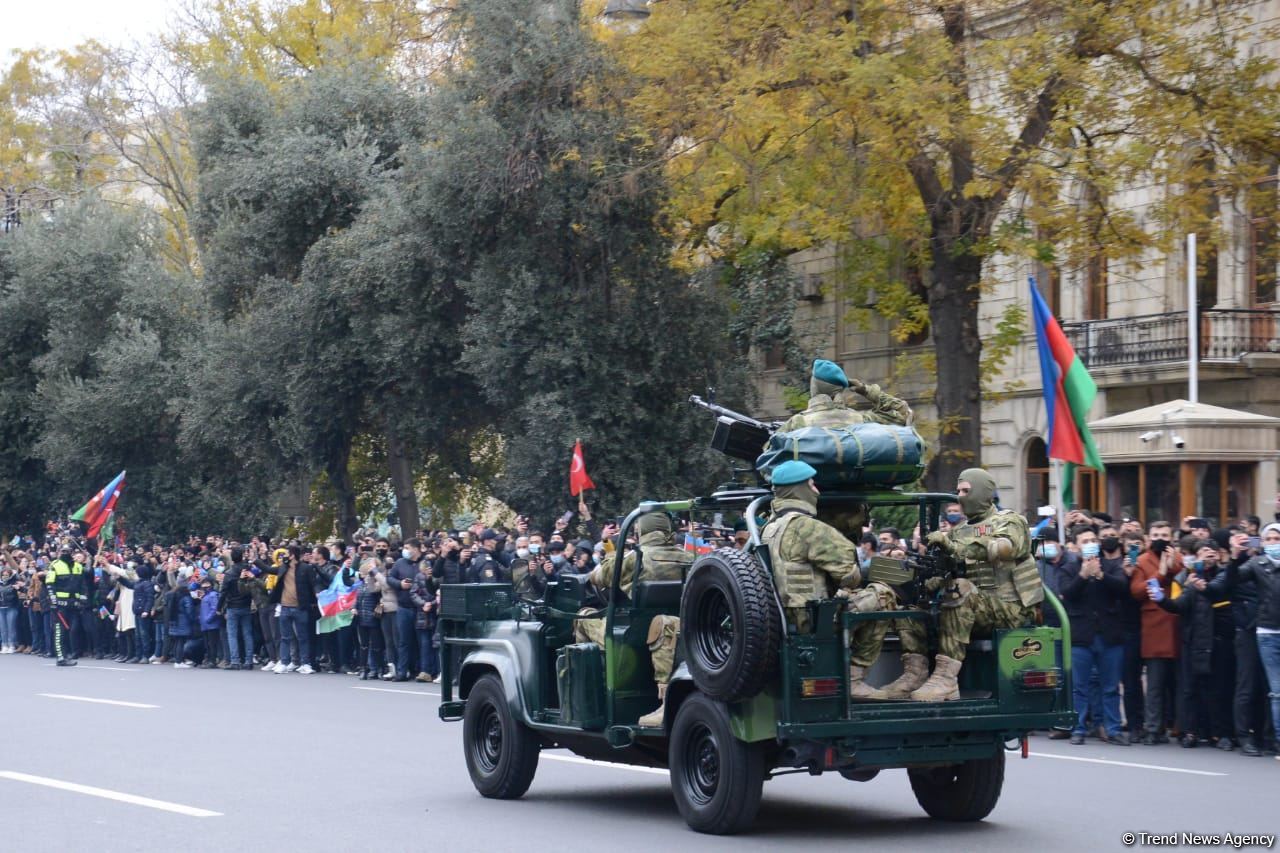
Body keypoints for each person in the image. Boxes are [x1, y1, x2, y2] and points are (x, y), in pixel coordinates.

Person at [897, 468, 1043, 702]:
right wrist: (918, 582)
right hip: (971, 609)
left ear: (984, 492)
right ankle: (914, 675)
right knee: (910, 610)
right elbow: (948, 570)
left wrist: (953, 547)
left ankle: (946, 680)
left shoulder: (1010, 521)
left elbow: (1003, 547)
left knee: (960, 588)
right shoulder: (959, 531)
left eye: (966, 490)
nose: (960, 496)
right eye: (957, 491)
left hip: (1010, 609)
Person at [758, 460, 896, 700]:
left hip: (780, 619)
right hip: (813, 621)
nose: (817, 491)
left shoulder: (769, 528)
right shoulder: (806, 527)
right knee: (883, 595)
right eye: (812, 485)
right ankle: (854, 678)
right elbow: (849, 575)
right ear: (798, 489)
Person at [575, 512, 693, 727]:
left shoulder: (635, 557)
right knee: (663, 623)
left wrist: (612, 554)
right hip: (681, 628)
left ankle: (590, 693)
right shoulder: (688, 557)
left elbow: (598, 577)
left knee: (583, 617)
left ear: (641, 531)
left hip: (633, 636)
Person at [1211, 522, 1280, 759]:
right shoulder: (1251, 564)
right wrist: (1234, 557)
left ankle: (1268, 736)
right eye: (1267, 540)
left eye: (1276, 539)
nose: (1272, 544)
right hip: (1250, 631)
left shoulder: (1268, 565)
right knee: (1247, 686)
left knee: (1271, 689)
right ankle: (1244, 736)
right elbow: (1227, 584)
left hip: (1269, 628)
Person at [1061, 528, 1131, 745]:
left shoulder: (1111, 565)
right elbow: (1066, 594)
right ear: (1076, 545)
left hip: (1109, 636)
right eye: (1085, 541)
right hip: (1082, 636)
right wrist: (1083, 575)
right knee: (1079, 687)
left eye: (1093, 540)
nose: (1090, 543)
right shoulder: (1069, 568)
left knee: (1110, 687)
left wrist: (1101, 575)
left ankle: (1113, 728)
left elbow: (1122, 588)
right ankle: (1078, 728)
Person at [1129, 521, 1181, 744]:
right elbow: (1137, 591)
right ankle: (1152, 728)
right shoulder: (1142, 560)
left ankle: (1178, 726)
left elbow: (1183, 578)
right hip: (1155, 629)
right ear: (1149, 538)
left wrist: (1171, 565)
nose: (1161, 538)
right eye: (1157, 534)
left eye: (1165, 534)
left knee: (1179, 684)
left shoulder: (1177, 557)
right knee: (1155, 685)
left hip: (1178, 627)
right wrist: (1160, 574)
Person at [779, 359, 913, 431]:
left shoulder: (797, 423)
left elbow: (768, 458)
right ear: (839, 390)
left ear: (814, 388)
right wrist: (866, 390)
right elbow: (903, 412)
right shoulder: (861, 419)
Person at [45, 543, 89, 667]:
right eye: (63, 551)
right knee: (60, 630)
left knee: (72, 630)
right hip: (59, 604)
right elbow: (49, 584)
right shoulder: (55, 565)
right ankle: (60, 657)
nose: (65, 553)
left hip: (73, 604)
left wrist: (83, 600)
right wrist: (53, 601)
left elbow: (83, 586)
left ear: (72, 552)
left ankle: (68, 653)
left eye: (67, 551)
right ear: (59, 552)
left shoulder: (78, 567)